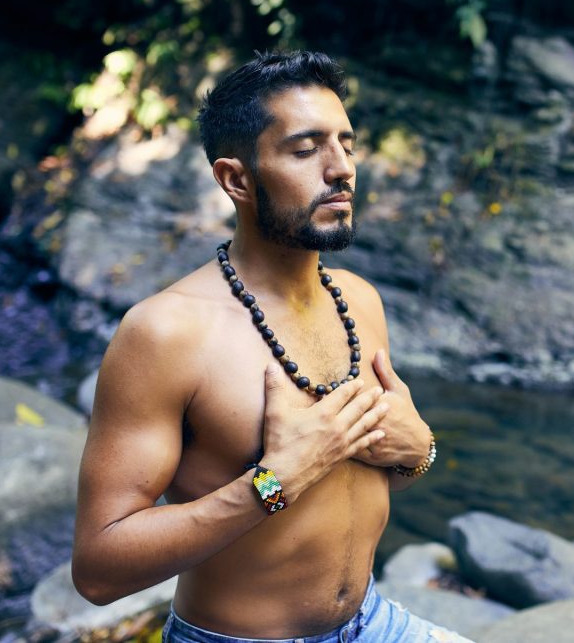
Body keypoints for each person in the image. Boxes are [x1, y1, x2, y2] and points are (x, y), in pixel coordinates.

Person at [71, 51, 473, 643]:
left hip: (371, 623)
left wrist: (419, 451)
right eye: (306, 150)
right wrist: (272, 483)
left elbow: (359, 481)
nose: (342, 170)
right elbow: (98, 571)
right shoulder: (167, 333)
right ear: (237, 179)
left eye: (347, 143)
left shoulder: (360, 302)